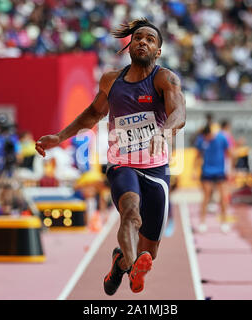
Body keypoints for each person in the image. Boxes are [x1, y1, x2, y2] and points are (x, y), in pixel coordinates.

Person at [35, 18, 186, 295]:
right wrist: (59, 137)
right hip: (121, 164)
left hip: (156, 168)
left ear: (158, 51)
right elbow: (93, 113)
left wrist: (164, 132)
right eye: (138, 37)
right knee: (130, 213)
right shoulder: (111, 80)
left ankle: (120, 262)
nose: (142, 41)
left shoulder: (165, 78)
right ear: (129, 46)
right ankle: (131, 268)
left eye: (150, 40)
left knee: (150, 251)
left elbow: (179, 113)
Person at [194, 124, 230, 234]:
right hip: (207, 171)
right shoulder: (201, 140)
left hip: (220, 171)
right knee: (206, 197)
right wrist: (194, 170)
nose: (206, 139)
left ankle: (224, 222)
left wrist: (230, 169)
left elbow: (229, 153)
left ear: (210, 134)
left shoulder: (222, 138)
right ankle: (202, 222)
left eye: (207, 137)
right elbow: (198, 156)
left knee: (223, 197)